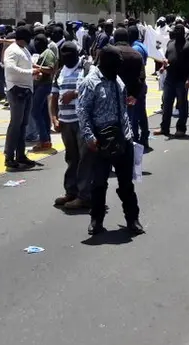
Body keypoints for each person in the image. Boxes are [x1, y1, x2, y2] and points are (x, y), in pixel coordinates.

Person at [77, 46, 144, 236]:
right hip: (100, 140)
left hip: (122, 137)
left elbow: (123, 108)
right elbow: (82, 111)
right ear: (106, 63)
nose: (119, 69)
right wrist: (89, 137)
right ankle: (96, 220)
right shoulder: (91, 82)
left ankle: (132, 219)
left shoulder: (118, 80)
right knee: (99, 183)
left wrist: (129, 136)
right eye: (116, 65)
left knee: (126, 184)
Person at [51, 41, 92, 212]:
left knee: (85, 159)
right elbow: (53, 96)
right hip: (65, 122)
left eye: (70, 55)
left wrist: (74, 94)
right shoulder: (60, 72)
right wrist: (54, 118)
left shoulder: (86, 68)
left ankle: (84, 196)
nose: (67, 58)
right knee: (71, 158)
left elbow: (93, 88)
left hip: (82, 121)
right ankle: (71, 191)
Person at [3, 25, 40, 172]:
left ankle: (20, 155)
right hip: (16, 90)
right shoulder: (12, 50)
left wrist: (36, 68)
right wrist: (31, 72)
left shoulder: (23, 49)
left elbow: (26, 64)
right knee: (15, 124)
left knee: (23, 124)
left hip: (26, 89)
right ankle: (9, 156)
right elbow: (10, 68)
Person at [159, 23, 189, 138]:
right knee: (166, 104)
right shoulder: (170, 44)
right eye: (176, 31)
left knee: (182, 104)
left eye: (180, 31)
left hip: (182, 80)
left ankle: (181, 128)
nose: (178, 33)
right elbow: (166, 58)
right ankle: (164, 128)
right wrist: (163, 66)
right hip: (170, 78)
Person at [30, 33, 57, 152]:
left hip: (43, 85)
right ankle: (46, 139)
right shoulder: (44, 53)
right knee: (43, 113)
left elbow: (50, 69)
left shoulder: (48, 53)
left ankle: (44, 140)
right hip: (41, 85)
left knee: (35, 111)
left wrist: (36, 67)